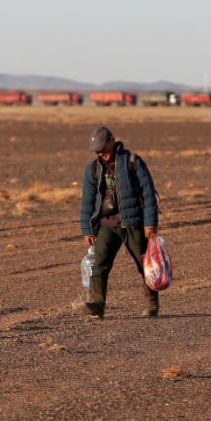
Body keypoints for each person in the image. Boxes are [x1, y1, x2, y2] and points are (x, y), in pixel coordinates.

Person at [78, 125, 160, 318]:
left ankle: (151, 304)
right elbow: (87, 201)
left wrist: (150, 224)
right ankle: (97, 304)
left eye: (102, 147)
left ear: (111, 141)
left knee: (144, 265)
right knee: (99, 266)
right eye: (96, 149)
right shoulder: (93, 169)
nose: (100, 152)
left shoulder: (132, 162)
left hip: (133, 224)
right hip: (107, 225)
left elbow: (149, 194)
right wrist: (87, 230)